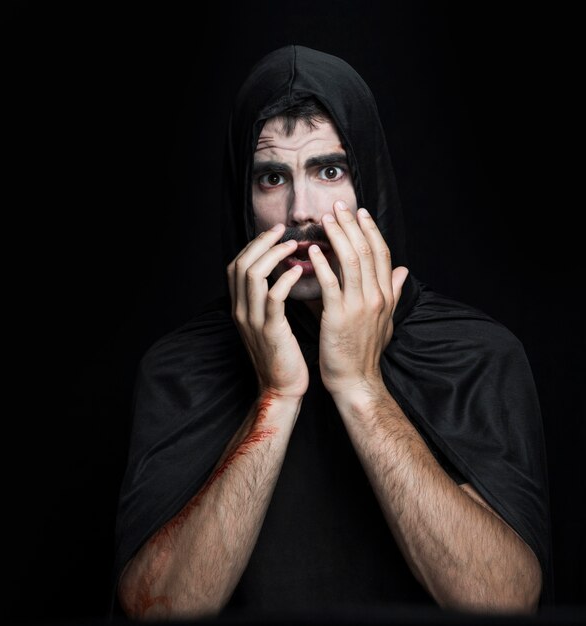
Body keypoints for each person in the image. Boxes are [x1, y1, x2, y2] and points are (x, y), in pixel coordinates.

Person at [111, 45, 552, 621]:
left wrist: (360, 387)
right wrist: (275, 397)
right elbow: (155, 610)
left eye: (329, 170)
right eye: (273, 177)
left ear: (369, 182)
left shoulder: (475, 352)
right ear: (243, 201)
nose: (302, 211)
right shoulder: (181, 365)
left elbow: (504, 602)